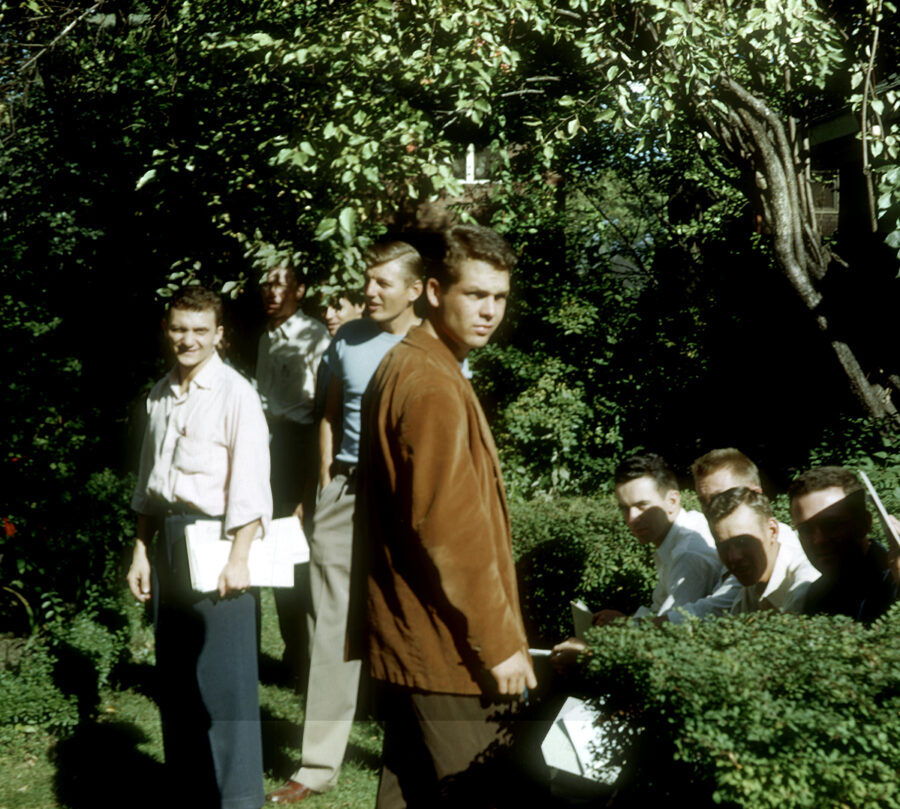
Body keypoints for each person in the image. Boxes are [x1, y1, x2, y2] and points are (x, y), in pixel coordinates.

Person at [356, 224, 535, 808]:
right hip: (448, 652)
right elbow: (448, 530)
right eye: (474, 295)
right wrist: (500, 642)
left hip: (415, 641)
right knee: (481, 795)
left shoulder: (412, 362)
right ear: (434, 291)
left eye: (499, 298)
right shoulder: (429, 381)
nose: (489, 312)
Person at [267, 242, 424, 804]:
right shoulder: (347, 338)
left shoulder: (431, 346)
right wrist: (324, 482)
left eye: (383, 282)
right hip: (345, 491)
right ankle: (316, 767)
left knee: (406, 622)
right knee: (331, 621)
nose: (370, 291)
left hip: (406, 501)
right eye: (368, 281)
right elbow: (329, 411)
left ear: (415, 289)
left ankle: (416, 754)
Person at [127, 286, 271, 809]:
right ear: (168, 331)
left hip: (217, 545)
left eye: (199, 330)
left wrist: (239, 557)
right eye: (179, 329)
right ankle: (189, 792)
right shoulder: (160, 394)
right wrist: (141, 551)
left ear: (219, 336)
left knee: (225, 687)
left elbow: (252, 487)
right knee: (178, 681)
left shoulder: (236, 394)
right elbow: (148, 483)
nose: (187, 340)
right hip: (168, 543)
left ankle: (237, 799)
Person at [256, 264, 330, 689]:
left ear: (300, 290)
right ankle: (293, 653)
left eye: (281, 284)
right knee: (276, 554)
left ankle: (311, 658)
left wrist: (307, 485)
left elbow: (319, 410)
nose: (272, 291)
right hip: (271, 445)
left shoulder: (313, 336)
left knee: (299, 554)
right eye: (267, 283)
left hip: (301, 446)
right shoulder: (267, 335)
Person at [789, 466, 899, 622]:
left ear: (864, 524)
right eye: (806, 529)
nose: (818, 540)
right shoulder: (815, 594)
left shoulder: (894, 583)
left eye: (832, 525)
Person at [706, 487, 820, 614]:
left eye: (743, 542)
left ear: (773, 531)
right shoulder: (751, 589)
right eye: (723, 547)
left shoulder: (807, 587)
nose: (734, 557)